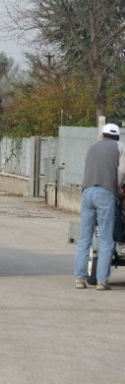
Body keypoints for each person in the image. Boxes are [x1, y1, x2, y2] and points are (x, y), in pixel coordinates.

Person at [74, 123, 125, 290]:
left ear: (103, 135)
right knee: (106, 239)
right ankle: (102, 281)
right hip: (105, 193)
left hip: (87, 192)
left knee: (84, 238)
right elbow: (122, 171)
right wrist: (116, 188)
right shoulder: (120, 147)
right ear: (117, 136)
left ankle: (80, 279)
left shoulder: (92, 147)